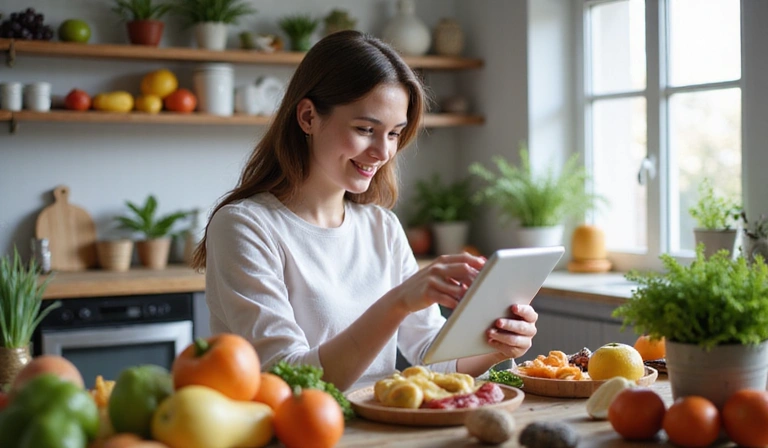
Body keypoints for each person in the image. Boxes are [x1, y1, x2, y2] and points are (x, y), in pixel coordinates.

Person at [192, 30, 538, 392]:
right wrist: (397, 303)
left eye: (393, 134)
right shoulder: (245, 227)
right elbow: (290, 379)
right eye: (365, 129)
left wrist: (495, 347)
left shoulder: (381, 226)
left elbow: (433, 354)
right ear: (308, 117)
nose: (383, 152)